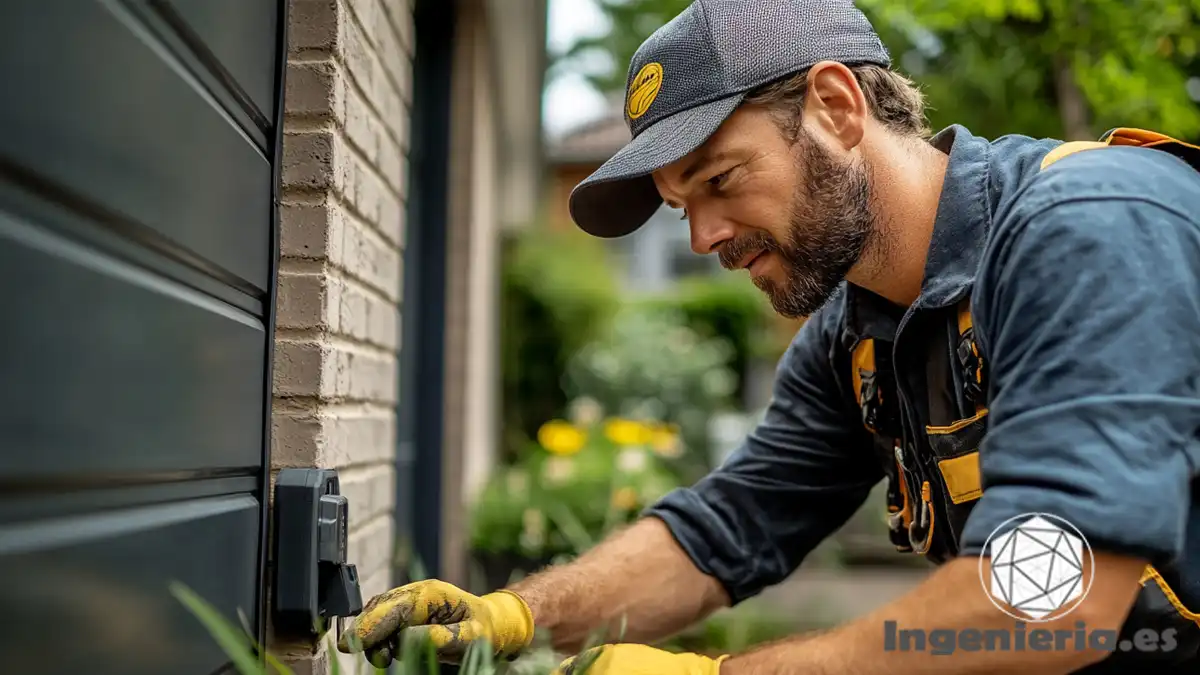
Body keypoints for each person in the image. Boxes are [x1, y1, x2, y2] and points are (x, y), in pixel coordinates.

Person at [338, 0, 1200, 672]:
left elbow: (1052, 603)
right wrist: (514, 616)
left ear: (836, 106)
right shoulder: (858, 336)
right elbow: (728, 526)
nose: (702, 238)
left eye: (720, 179)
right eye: (681, 207)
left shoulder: (1090, 229)